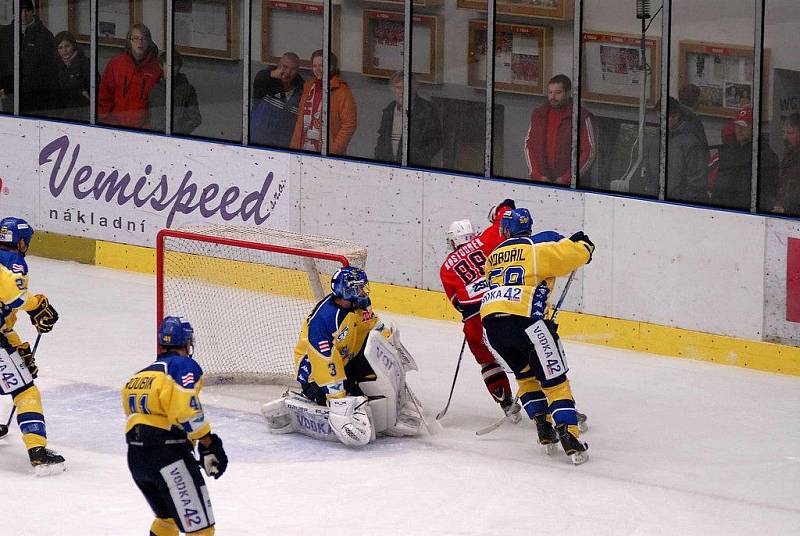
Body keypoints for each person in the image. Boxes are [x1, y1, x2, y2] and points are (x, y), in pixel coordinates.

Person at [480, 208, 595, 464]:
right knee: (555, 380)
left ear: (506, 230)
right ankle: (569, 434)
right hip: (528, 324)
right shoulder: (537, 249)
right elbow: (575, 255)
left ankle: (543, 426)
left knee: (526, 376)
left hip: (493, 328)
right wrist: (583, 245)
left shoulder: (492, 258)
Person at [261, 266, 423, 446]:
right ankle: (308, 397)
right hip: (316, 375)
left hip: (347, 360)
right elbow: (324, 361)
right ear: (346, 290)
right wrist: (338, 400)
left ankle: (389, 412)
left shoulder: (359, 304)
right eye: (359, 287)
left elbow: (372, 326)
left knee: (374, 380)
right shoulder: (325, 319)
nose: (363, 291)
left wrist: (391, 345)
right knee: (354, 399)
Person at [123, 316, 227, 536]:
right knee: (201, 529)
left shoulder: (140, 375)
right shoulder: (183, 365)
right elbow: (185, 409)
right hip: (168, 456)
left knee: (166, 521)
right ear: (187, 342)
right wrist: (208, 441)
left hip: (137, 458)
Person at [440, 199, 519, 419]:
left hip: (475, 320)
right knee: (527, 356)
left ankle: (506, 404)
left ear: (455, 240)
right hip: (504, 307)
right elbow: (507, 215)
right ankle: (556, 404)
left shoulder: (446, 267)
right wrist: (499, 208)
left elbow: (457, 303)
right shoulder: (488, 237)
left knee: (486, 359)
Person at [0, 217, 64, 475]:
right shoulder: (12, 261)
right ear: (22, 242)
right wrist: (37, 304)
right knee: (26, 391)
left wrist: (16, 347)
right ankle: (37, 451)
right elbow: (15, 299)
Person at [524, 74, 596, 185]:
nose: (553, 97)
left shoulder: (582, 116)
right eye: (550, 92)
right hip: (541, 180)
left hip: (572, 184)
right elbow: (529, 145)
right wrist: (537, 175)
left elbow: (589, 151)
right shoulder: (539, 114)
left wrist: (567, 178)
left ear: (568, 93)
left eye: (558, 93)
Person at [712, 106, 779, 210]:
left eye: (744, 125)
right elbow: (719, 185)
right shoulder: (728, 151)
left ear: (754, 127)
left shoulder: (765, 156)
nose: (739, 130)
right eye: (737, 125)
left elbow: (767, 193)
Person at [290, 50, 356, 155]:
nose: (317, 69)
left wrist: (333, 150)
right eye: (314, 66)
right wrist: (294, 147)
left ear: (331, 67)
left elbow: (349, 125)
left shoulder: (342, 91)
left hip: (326, 152)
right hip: (304, 146)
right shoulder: (308, 86)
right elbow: (300, 121)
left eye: (321, 65)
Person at [98, 23, 161, 128]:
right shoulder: (116, 64)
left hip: (144, 131)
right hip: (115, 126)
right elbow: (105, 95)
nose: (139, 42)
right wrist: (105, 122)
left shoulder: (156, 69)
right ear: (129, 41)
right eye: (135, 38)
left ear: (149, 42)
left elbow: (158, 105)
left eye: (143, 39)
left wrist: (150, 129)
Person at [374, 71, 442, 166]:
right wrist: (379, 159)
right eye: (398, 88)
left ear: (413, 89)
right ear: (393, 90)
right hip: (389, 166)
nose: (401, 92)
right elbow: (382, 138)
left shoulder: (427, 110)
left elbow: (436, 141)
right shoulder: (389, 110)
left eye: (405, 88)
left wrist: (420, 159)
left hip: (416, 168)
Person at [250, 52, 303, 147]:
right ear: (278, 65)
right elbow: (260, 79)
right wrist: (272, 74)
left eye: (293, 69)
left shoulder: (302, 88)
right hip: (256, 141)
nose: (287, 72)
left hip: (283, 145)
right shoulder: (265, 79)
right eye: (285, 67)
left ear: (297, 71)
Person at [18, 0, 60, 116]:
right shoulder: (6, 33)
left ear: (33, 12)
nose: (23, 14)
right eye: (20, 10)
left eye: (27, 11)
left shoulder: (45, 36)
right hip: (10, 95)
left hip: (36, 97)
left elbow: (51, 69)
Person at [665, 97, 709, 204]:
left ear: (676, 116)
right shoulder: (668, 135)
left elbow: (696, 180)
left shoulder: (690, 140)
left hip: (683, 202)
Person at [147, 50, 202, 134]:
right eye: (168, 64)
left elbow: (195, 118)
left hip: (177, 137)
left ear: (179, 67)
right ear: (162, 66)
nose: (171, 68)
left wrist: (179, 131)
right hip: (154, 135)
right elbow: (147, 112)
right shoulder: (154, 88)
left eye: (175, 65)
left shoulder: (187, 90)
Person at [54, 31, 91, 122]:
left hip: (83, 112)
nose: (64, 51)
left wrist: (84, 94)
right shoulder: (57, 65)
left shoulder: (85, 63)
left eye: (67, 46)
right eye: (60, 48)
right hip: (63, 112)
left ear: (73, 45)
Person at [773, 113, 800, 216]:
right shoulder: (789, 153)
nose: (784, 137)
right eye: (783, 132)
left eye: (790, 133)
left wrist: (787, 207)